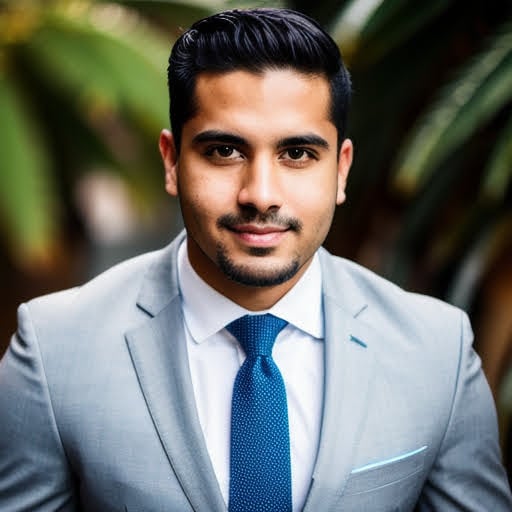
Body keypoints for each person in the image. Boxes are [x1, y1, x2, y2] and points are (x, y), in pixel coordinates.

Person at [0, 7, 510, 512]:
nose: (260, 195)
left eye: (297, 154)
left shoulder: (438, 351)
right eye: (224, 151)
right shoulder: (53, 353)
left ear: (341, 170)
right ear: (172, 161)